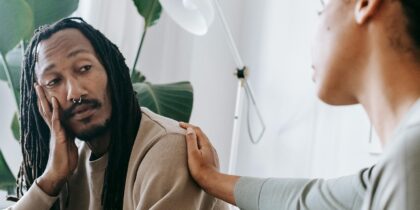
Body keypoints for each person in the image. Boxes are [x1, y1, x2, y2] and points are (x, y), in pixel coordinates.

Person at [180, 0, 420, 209]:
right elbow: (311, 200)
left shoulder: (410, 158)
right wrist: (210, 177)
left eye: (320, 10)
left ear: (365, 3)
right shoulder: (399, 165)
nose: (312, 35)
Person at [5, 17, 227, 210]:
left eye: (84, 68)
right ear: (41, 100)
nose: (75, 92)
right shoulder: (68, 163)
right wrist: (50, 180)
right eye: (54, 81)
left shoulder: (167, 148)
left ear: (111, 68)